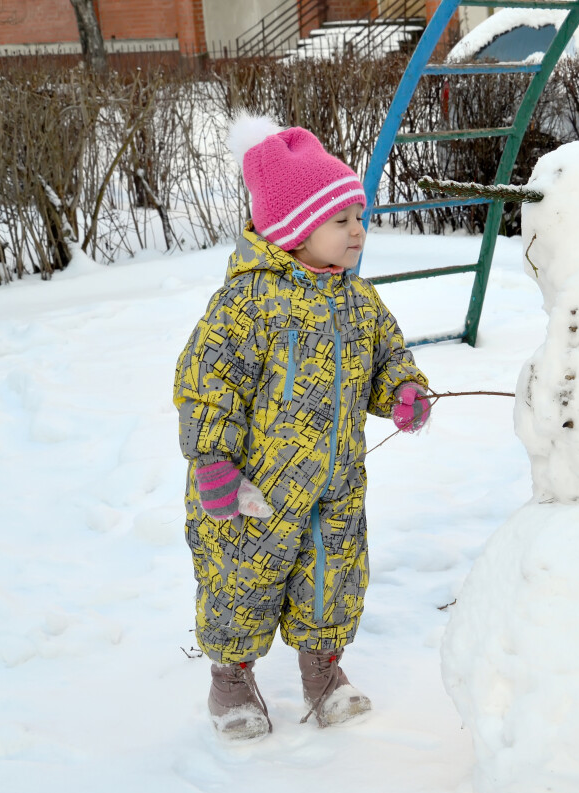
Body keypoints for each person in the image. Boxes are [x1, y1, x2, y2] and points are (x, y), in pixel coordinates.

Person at [173, 115, 432, 741]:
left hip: (336, 480)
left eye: (359, 219)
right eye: (340, 221)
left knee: (332, 572)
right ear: (293, 228)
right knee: (243, 579)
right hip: (253, 490)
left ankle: (322, 670)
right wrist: (213, 463)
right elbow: (206, 385)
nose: (356, 233)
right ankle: (231, 681)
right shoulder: (247, 303)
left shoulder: (357, 299)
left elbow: (386, 355)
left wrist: (403, 391)